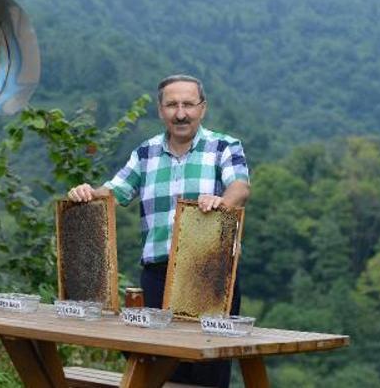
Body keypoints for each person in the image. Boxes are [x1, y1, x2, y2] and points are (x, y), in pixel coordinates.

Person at [67, 74, 250, 387]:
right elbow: (114, 192)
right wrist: (87, 192)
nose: (181, 113)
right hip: (156, 276)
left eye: (189, 104)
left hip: (210, 274)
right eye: (172, 105)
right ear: (160, 110)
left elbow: (240, 187)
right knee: (159, 370)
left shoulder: (224, 146)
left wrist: (221, 201)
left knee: (208, 370)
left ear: (202, 108)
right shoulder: (145, 153)